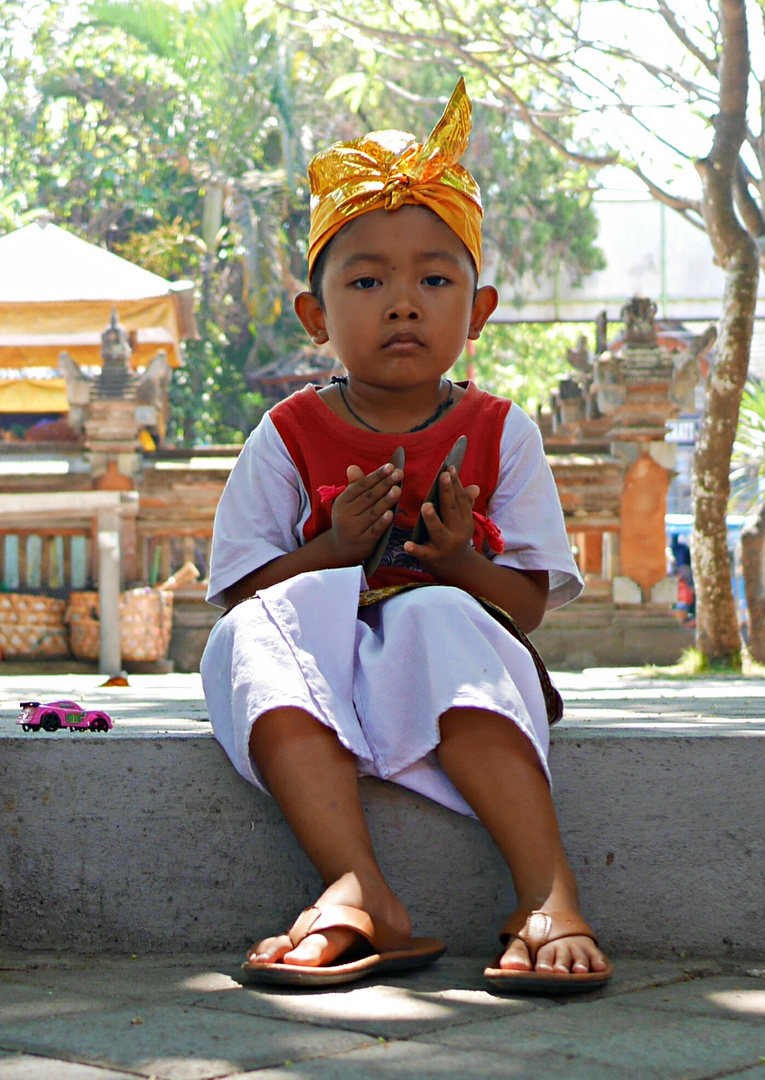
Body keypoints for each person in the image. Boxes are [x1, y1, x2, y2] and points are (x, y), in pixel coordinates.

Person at [202, 81, 612, 993]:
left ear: (479, 307)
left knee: (433, 610)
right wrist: (329, 553)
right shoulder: (285, 434)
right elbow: (242, 596)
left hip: (452, 671)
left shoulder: (501, 431)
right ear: (314, 316)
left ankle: (546, 893)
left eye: (434, 278)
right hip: (320, 673)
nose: (402, 303)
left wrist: (462, 562)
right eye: (366, 280)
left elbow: (528, 607)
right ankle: (358, 890)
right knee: (263, 629)